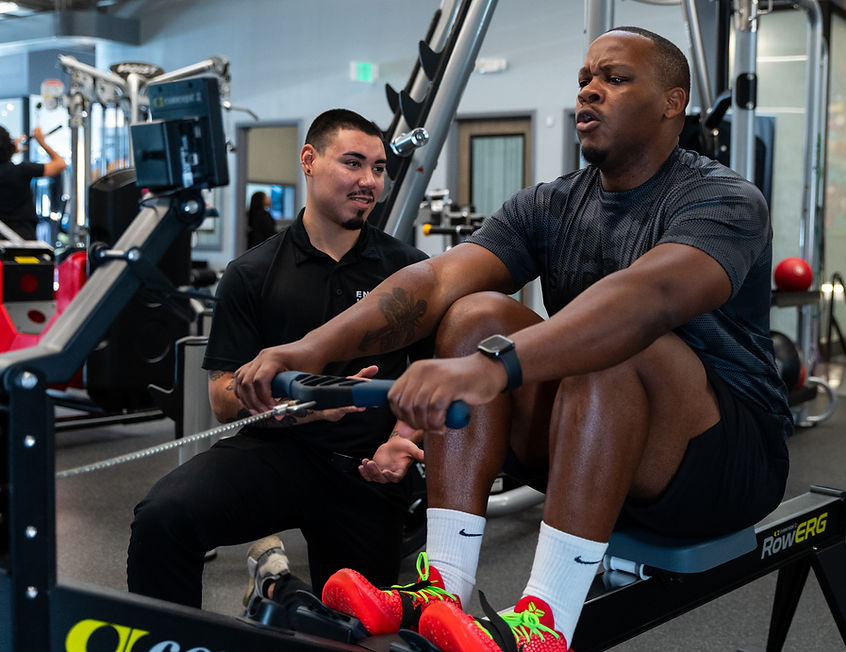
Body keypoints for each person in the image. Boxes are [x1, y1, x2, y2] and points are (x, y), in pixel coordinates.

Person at [234, 27, 791, 652]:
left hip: (723, 463)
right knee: (475, 314)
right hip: (595, 448)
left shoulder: (723, 199)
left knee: (613, 342)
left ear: (672, 102)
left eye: (614, 78)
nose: (591, 91)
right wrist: (312, 349)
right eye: (584, 79)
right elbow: (439, 278)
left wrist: (495, 369)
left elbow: (646, 300)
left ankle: (546, 622)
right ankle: (444, 583)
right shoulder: (550, 205)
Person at [127, 109, 431, 610]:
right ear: (309, 161)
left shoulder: (409, 271)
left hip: (367, 465)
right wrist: (300, 404)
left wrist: (400, 443)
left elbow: (428, 377)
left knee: (362, 620)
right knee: (163, 517)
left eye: (377, 168)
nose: (368, 181)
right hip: (277, 453)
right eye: (353, 163)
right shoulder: (252, 273)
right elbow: (223, 397)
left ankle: (273, 583)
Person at [0, 125, 66, 240]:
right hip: (24, 241)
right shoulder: (21, 170)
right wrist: (42, 142)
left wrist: (9, 151)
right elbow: (60, 164)